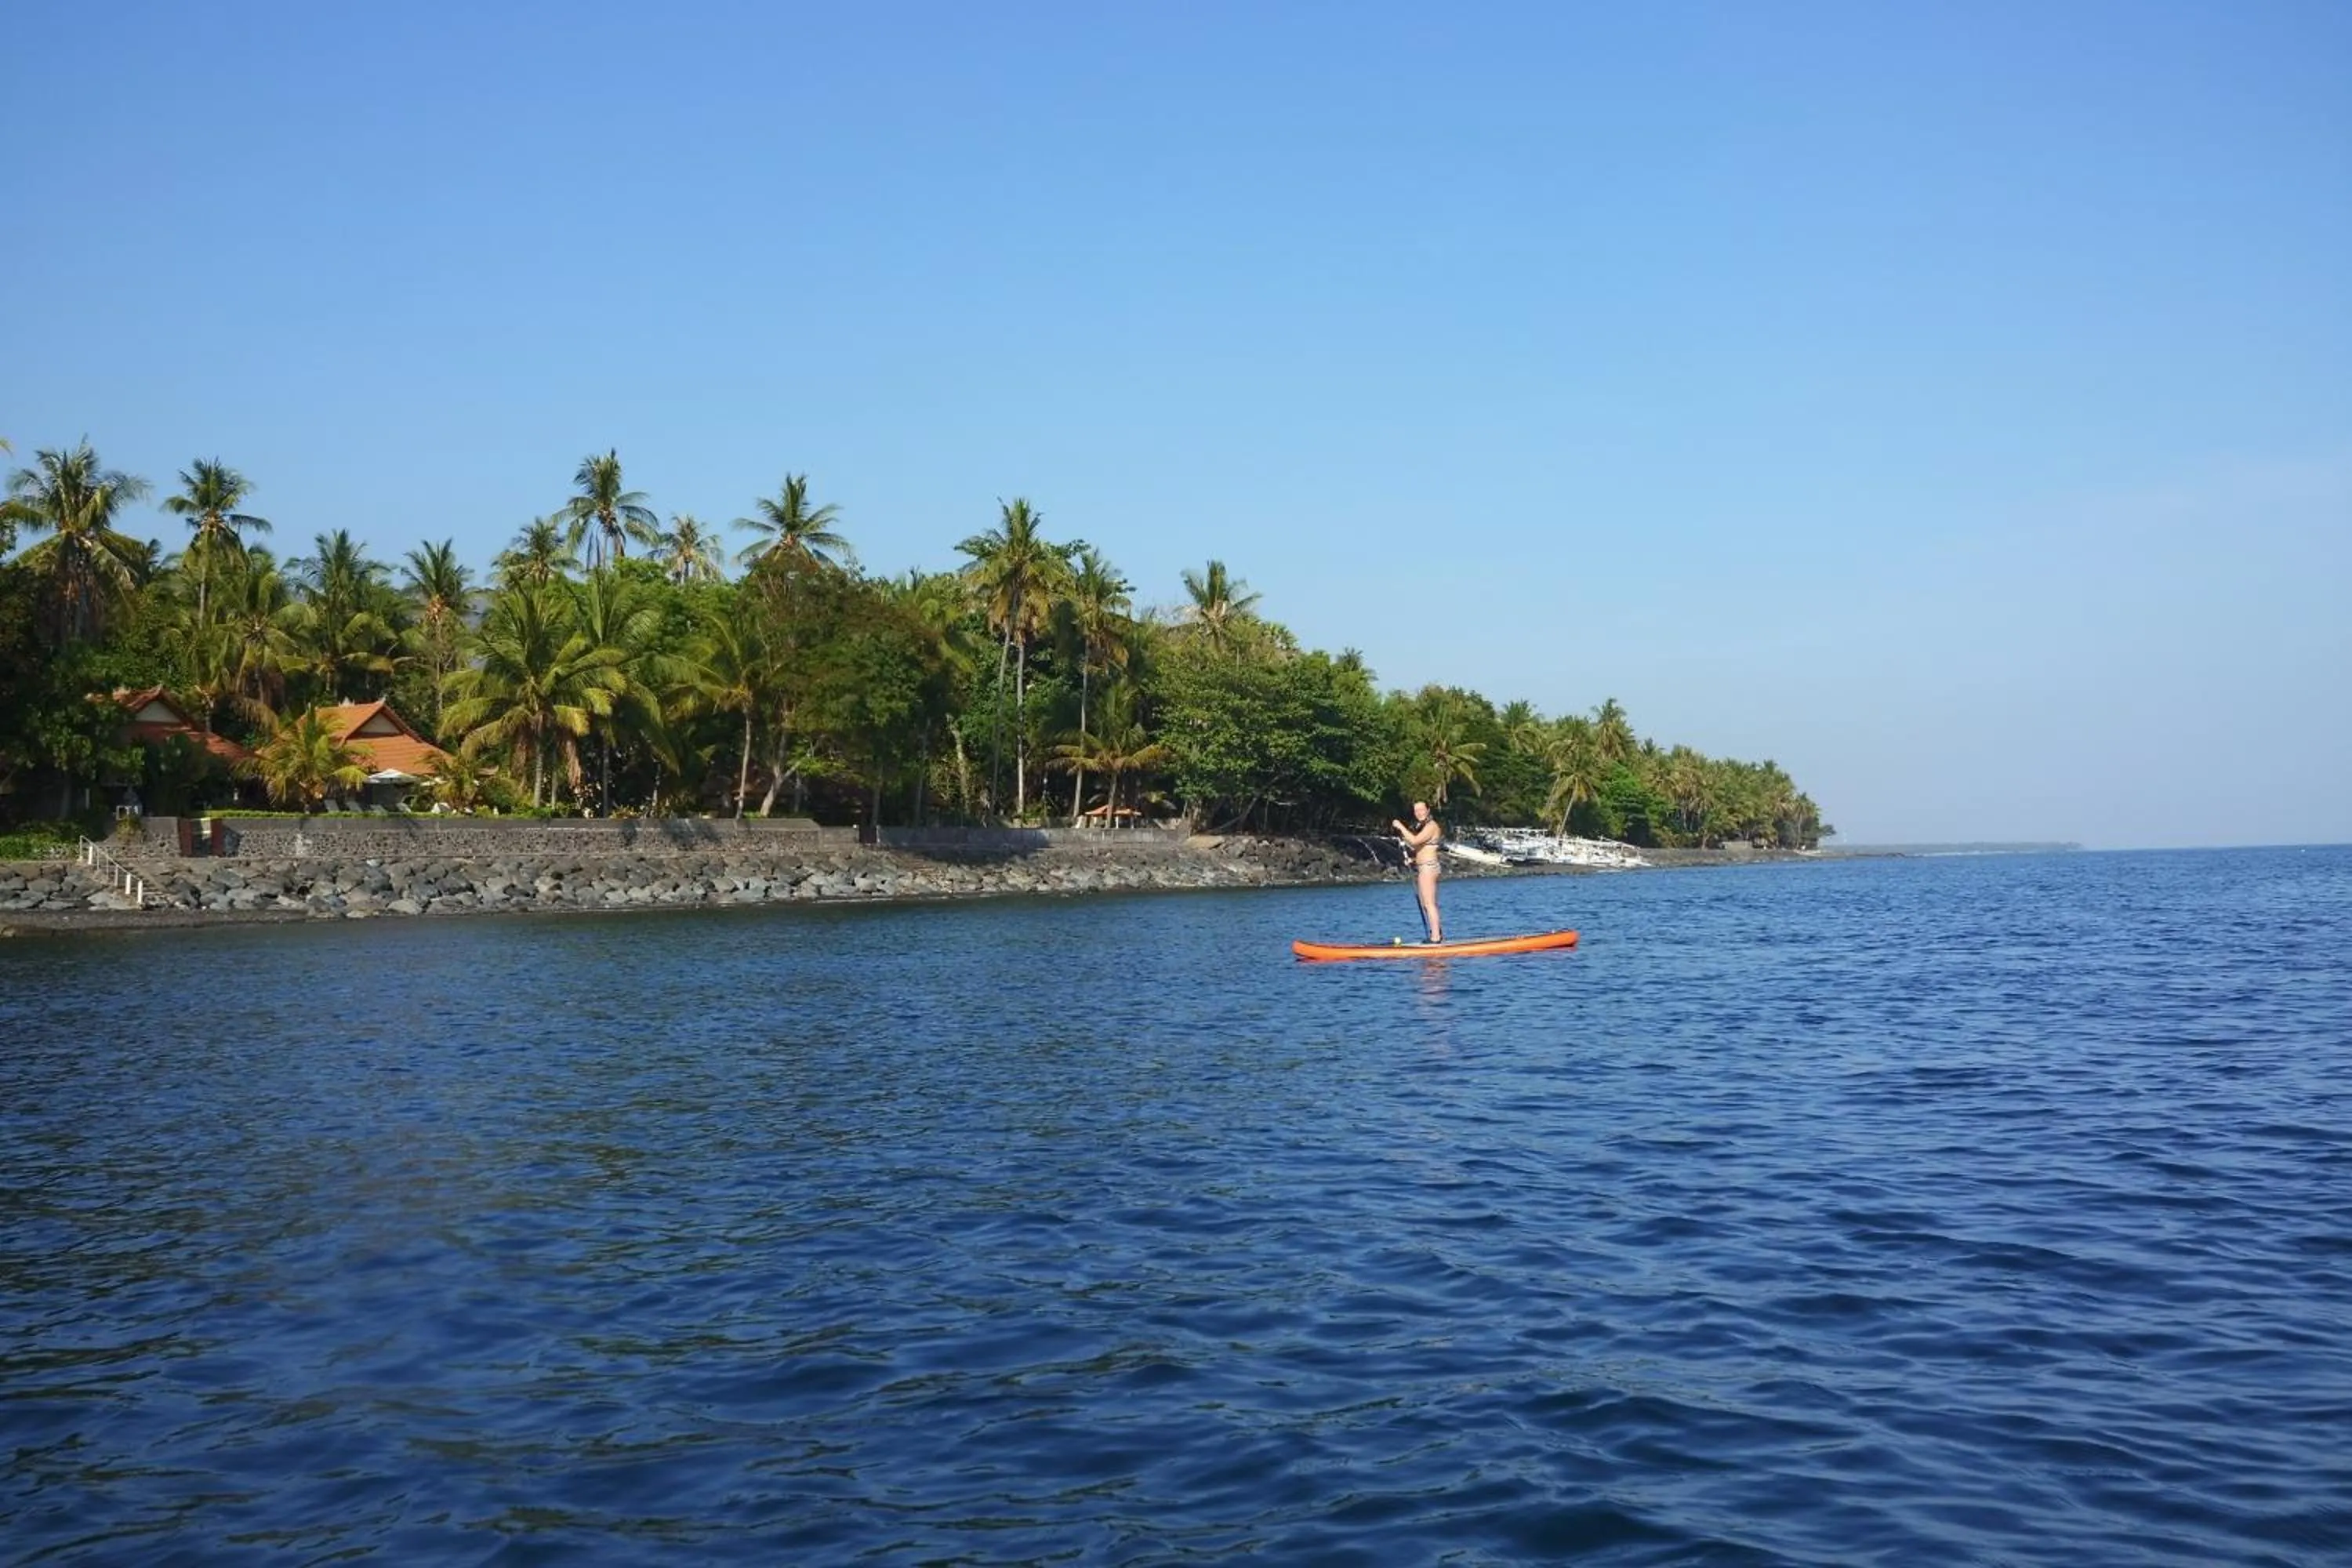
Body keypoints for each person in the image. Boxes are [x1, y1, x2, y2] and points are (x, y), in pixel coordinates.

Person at [1391, 800, 1443, 942]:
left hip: (1429, 867)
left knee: (1429, 903)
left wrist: (1400, 826)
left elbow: (1414, 841)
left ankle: (1436, 937)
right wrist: (1413, 860)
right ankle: (1436, 931)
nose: (1419, 813)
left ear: (1428, 810)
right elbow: (1422, 849)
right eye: (1416, 811)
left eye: (1421, 810)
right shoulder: (1423, 827)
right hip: (1424, 867)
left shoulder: (1432, 826)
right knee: (1424, 903)